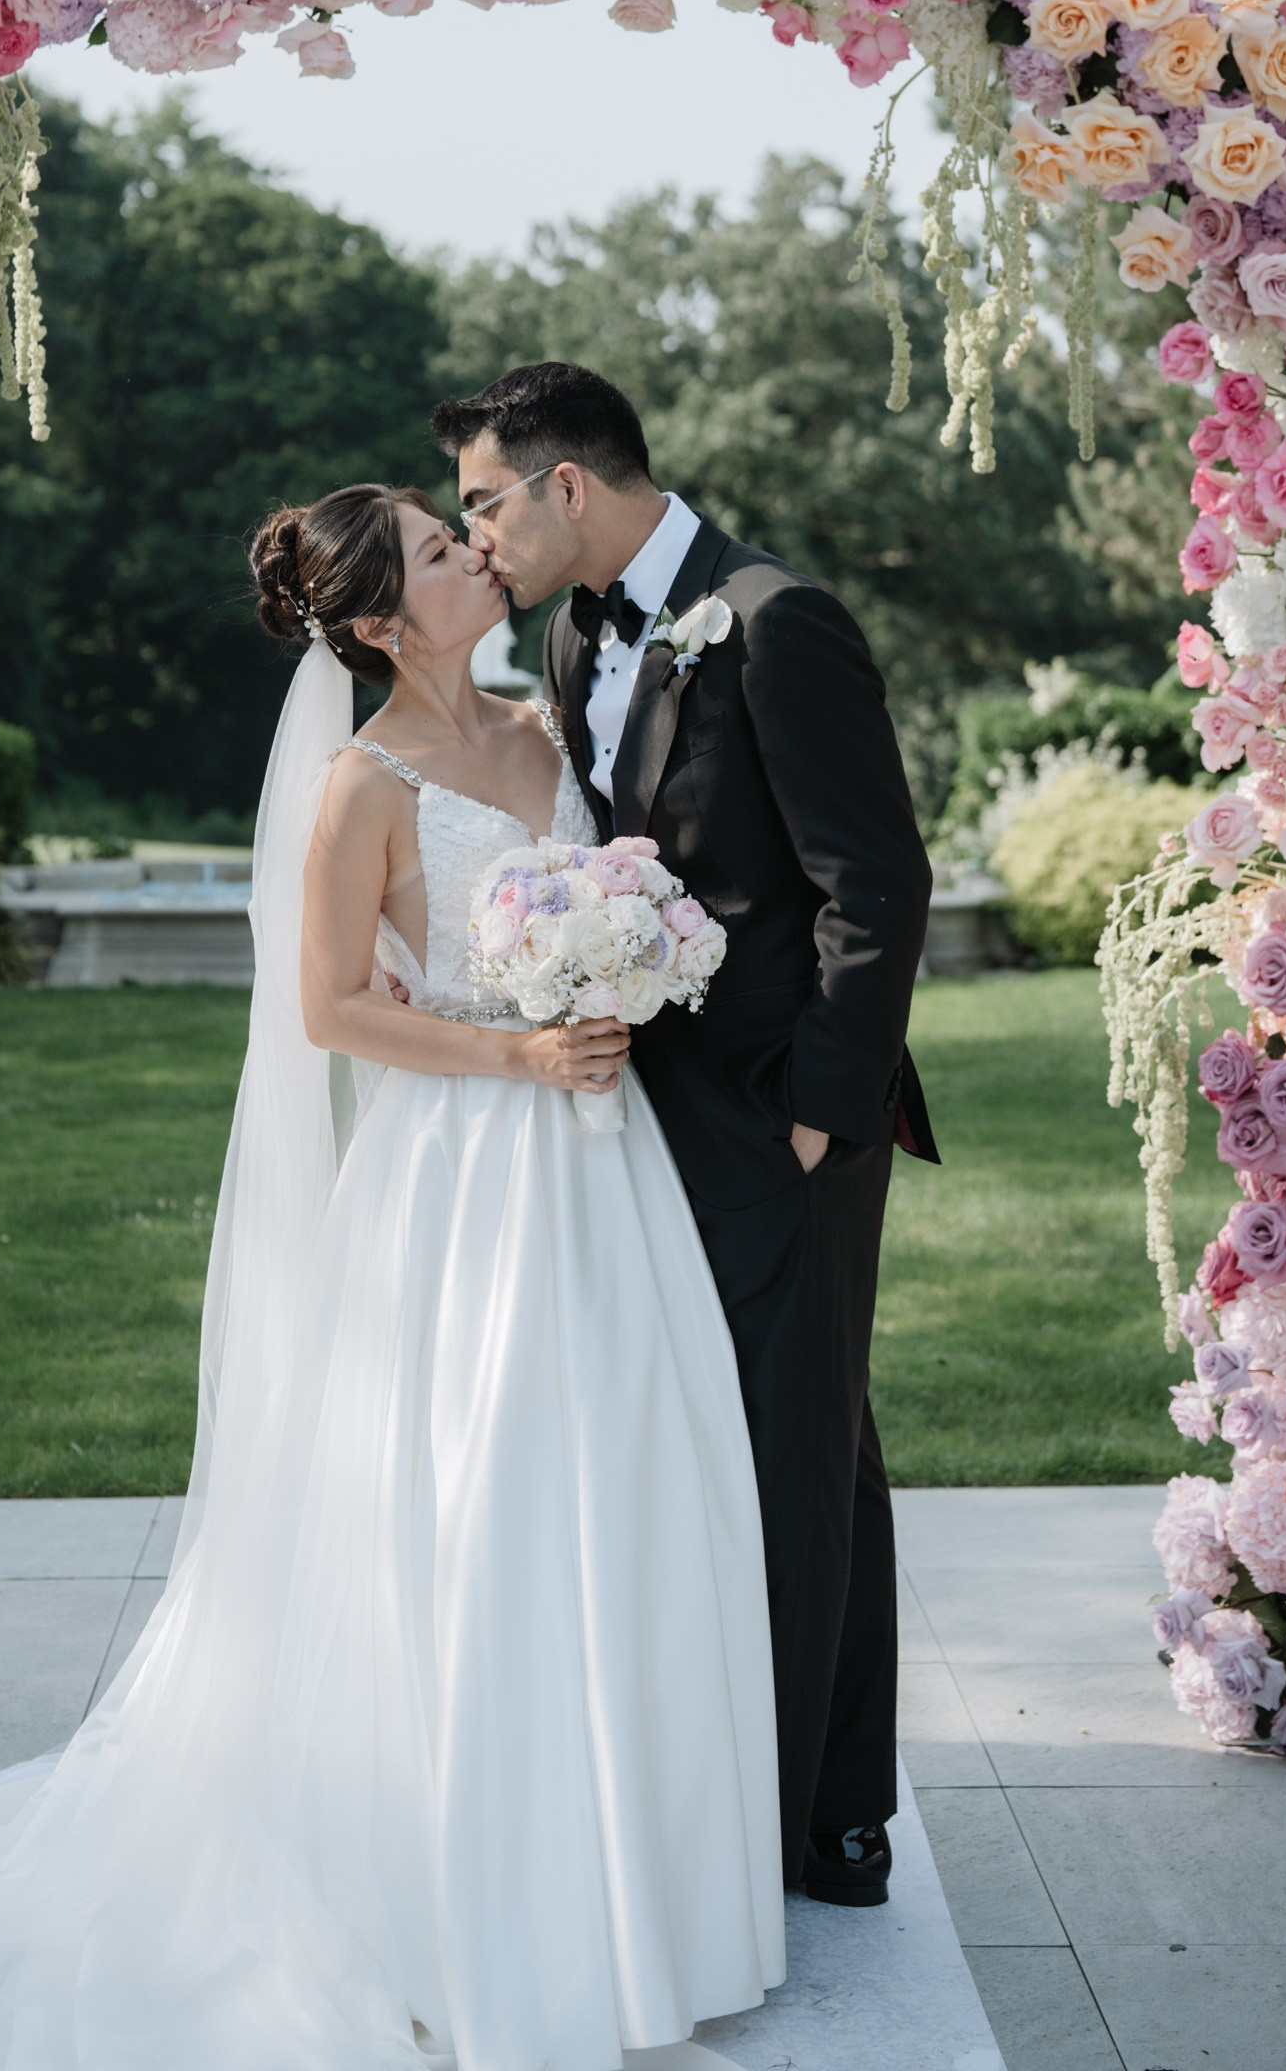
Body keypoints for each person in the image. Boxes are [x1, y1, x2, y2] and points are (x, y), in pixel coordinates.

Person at [0, 480, 783, 2071]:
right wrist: (517, 1048)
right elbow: (332, 1010)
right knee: (475, 1501)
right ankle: (467, 1899)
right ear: (387, 621)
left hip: (599, 1170)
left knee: (610, 1491)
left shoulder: (549, 741)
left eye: (469, 537)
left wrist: (620, 971)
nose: (480, 554)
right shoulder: (363, 784)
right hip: (464, 1166)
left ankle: (628, 1892)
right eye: (444, 549)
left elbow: (611, 905)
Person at [431, 363, 936, 1911]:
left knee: (801, 1463)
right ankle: (775, 1796)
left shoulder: (774, 618)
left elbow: (879, 886)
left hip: (783, 1116)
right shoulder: (585, 629)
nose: (479, 538)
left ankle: (812, 1828)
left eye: (484, 503)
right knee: (749, 1454)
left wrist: (814, 1118)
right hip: (648, 1112)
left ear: (564, 485)